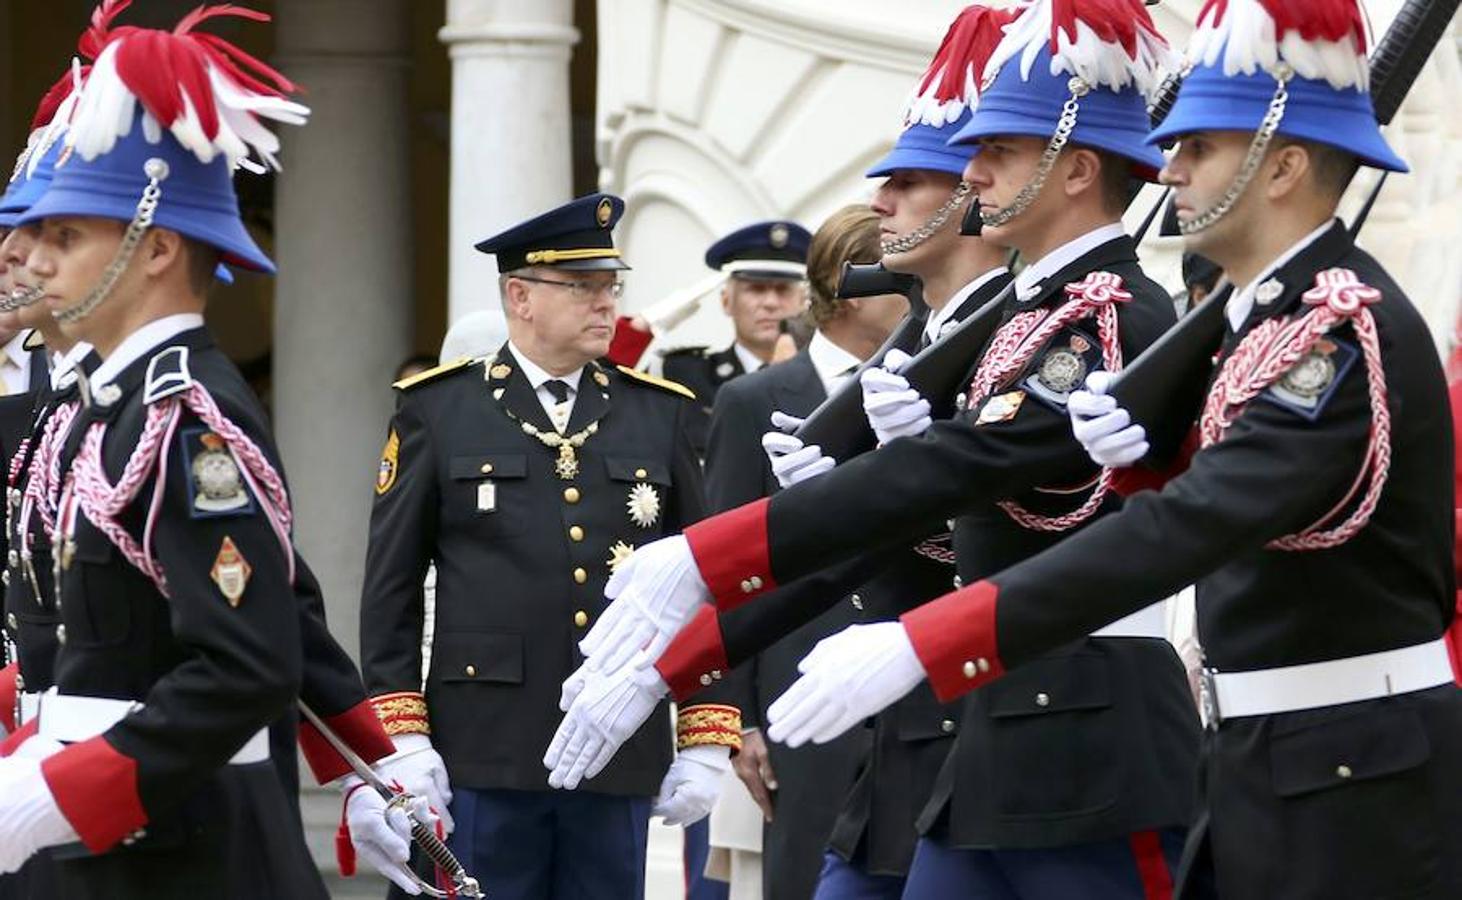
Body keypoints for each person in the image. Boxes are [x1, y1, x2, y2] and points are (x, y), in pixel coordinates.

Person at [707, 0, 1462, 897]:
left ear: (1285, 164)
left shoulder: (1335, 330)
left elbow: (1196, 523)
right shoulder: (1264, 318)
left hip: (1348, 774)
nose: (1169, 167)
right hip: (1261, 761)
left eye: (1199, 148)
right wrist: (1152, 458)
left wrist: (928, 638)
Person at [561, 2, 1205, 897]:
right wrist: (671, 659)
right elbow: (894, 527)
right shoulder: (1019, 318)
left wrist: (709, 558)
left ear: (1076, 171)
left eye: (999, 153)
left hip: (1091, 741)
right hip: (979, 725)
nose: (972, 171)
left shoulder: (1108, 313)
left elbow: (967, 470)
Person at [0, 10, 429, 896]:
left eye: (67, 237)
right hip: (94, 825)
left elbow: (250, 654)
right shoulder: (102, 407)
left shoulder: (185, 416)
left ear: (154, 249)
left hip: (166, 843)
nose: (34, 260)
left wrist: (61, 795)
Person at [360, 192, 738, 900]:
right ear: (519, 296)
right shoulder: (439, 411)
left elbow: (702, 581)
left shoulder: (659, 414)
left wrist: (706, 732)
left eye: (610, 287)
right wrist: (401, 738)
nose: (606, 304)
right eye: (584, 288)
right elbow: (392, 588)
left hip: (617, 744)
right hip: (482, 746)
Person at [692, 204, 909, 900]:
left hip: (907, 685)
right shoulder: (753, 400)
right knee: (803, 880)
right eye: (899, 277)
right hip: (796, 697)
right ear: (848, 292)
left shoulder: (919, 389)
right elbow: (726, 568)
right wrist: (736, 718)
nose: (919, 294)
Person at [662, 222, 812, 456]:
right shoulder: (682, 377)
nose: (771, 303)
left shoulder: (825, 376)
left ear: (804, 302)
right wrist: (641, 329)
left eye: (783, 290)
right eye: (756, 289)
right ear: (726, 301)